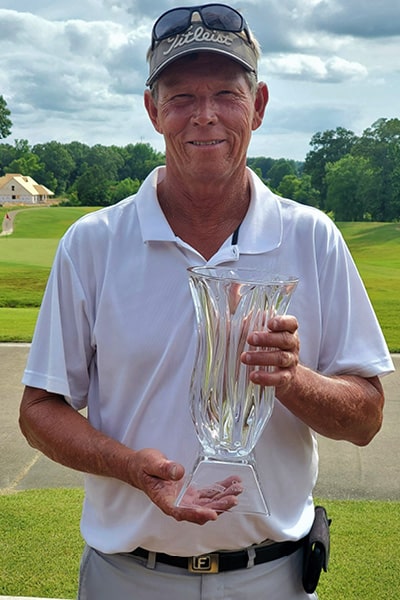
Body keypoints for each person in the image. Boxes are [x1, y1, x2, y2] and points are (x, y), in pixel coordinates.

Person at [19, 4, 394, 599]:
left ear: (260, 105)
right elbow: (38, 410)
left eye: (226, 92)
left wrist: (290, 377)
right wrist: (128, 467)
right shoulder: (92, 244)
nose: (206, 116)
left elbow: (367, 419)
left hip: (272, 577)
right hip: (127, 577)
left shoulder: (312, 238)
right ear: (152, 110)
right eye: (181, 96)